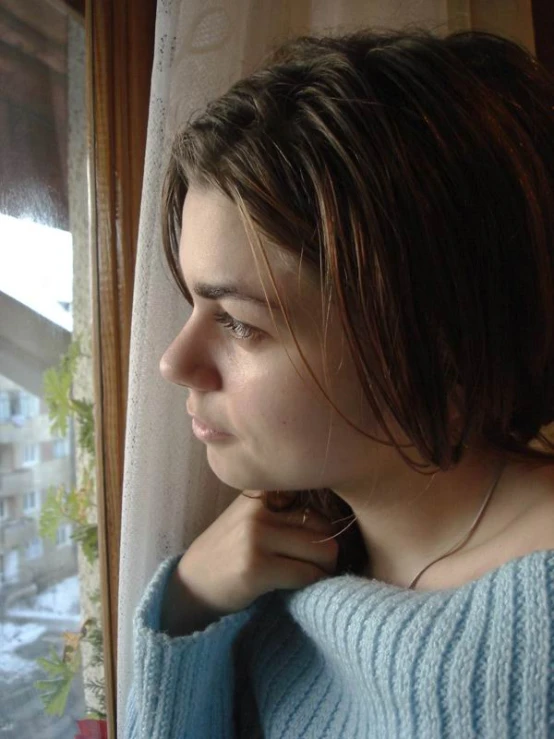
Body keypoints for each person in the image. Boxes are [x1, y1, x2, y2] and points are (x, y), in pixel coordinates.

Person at [124, 25, 554, 738]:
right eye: (193, 304)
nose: (175, 362)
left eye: (238, 322)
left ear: (429, 331)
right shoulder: (260, 582)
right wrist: (190, 606)